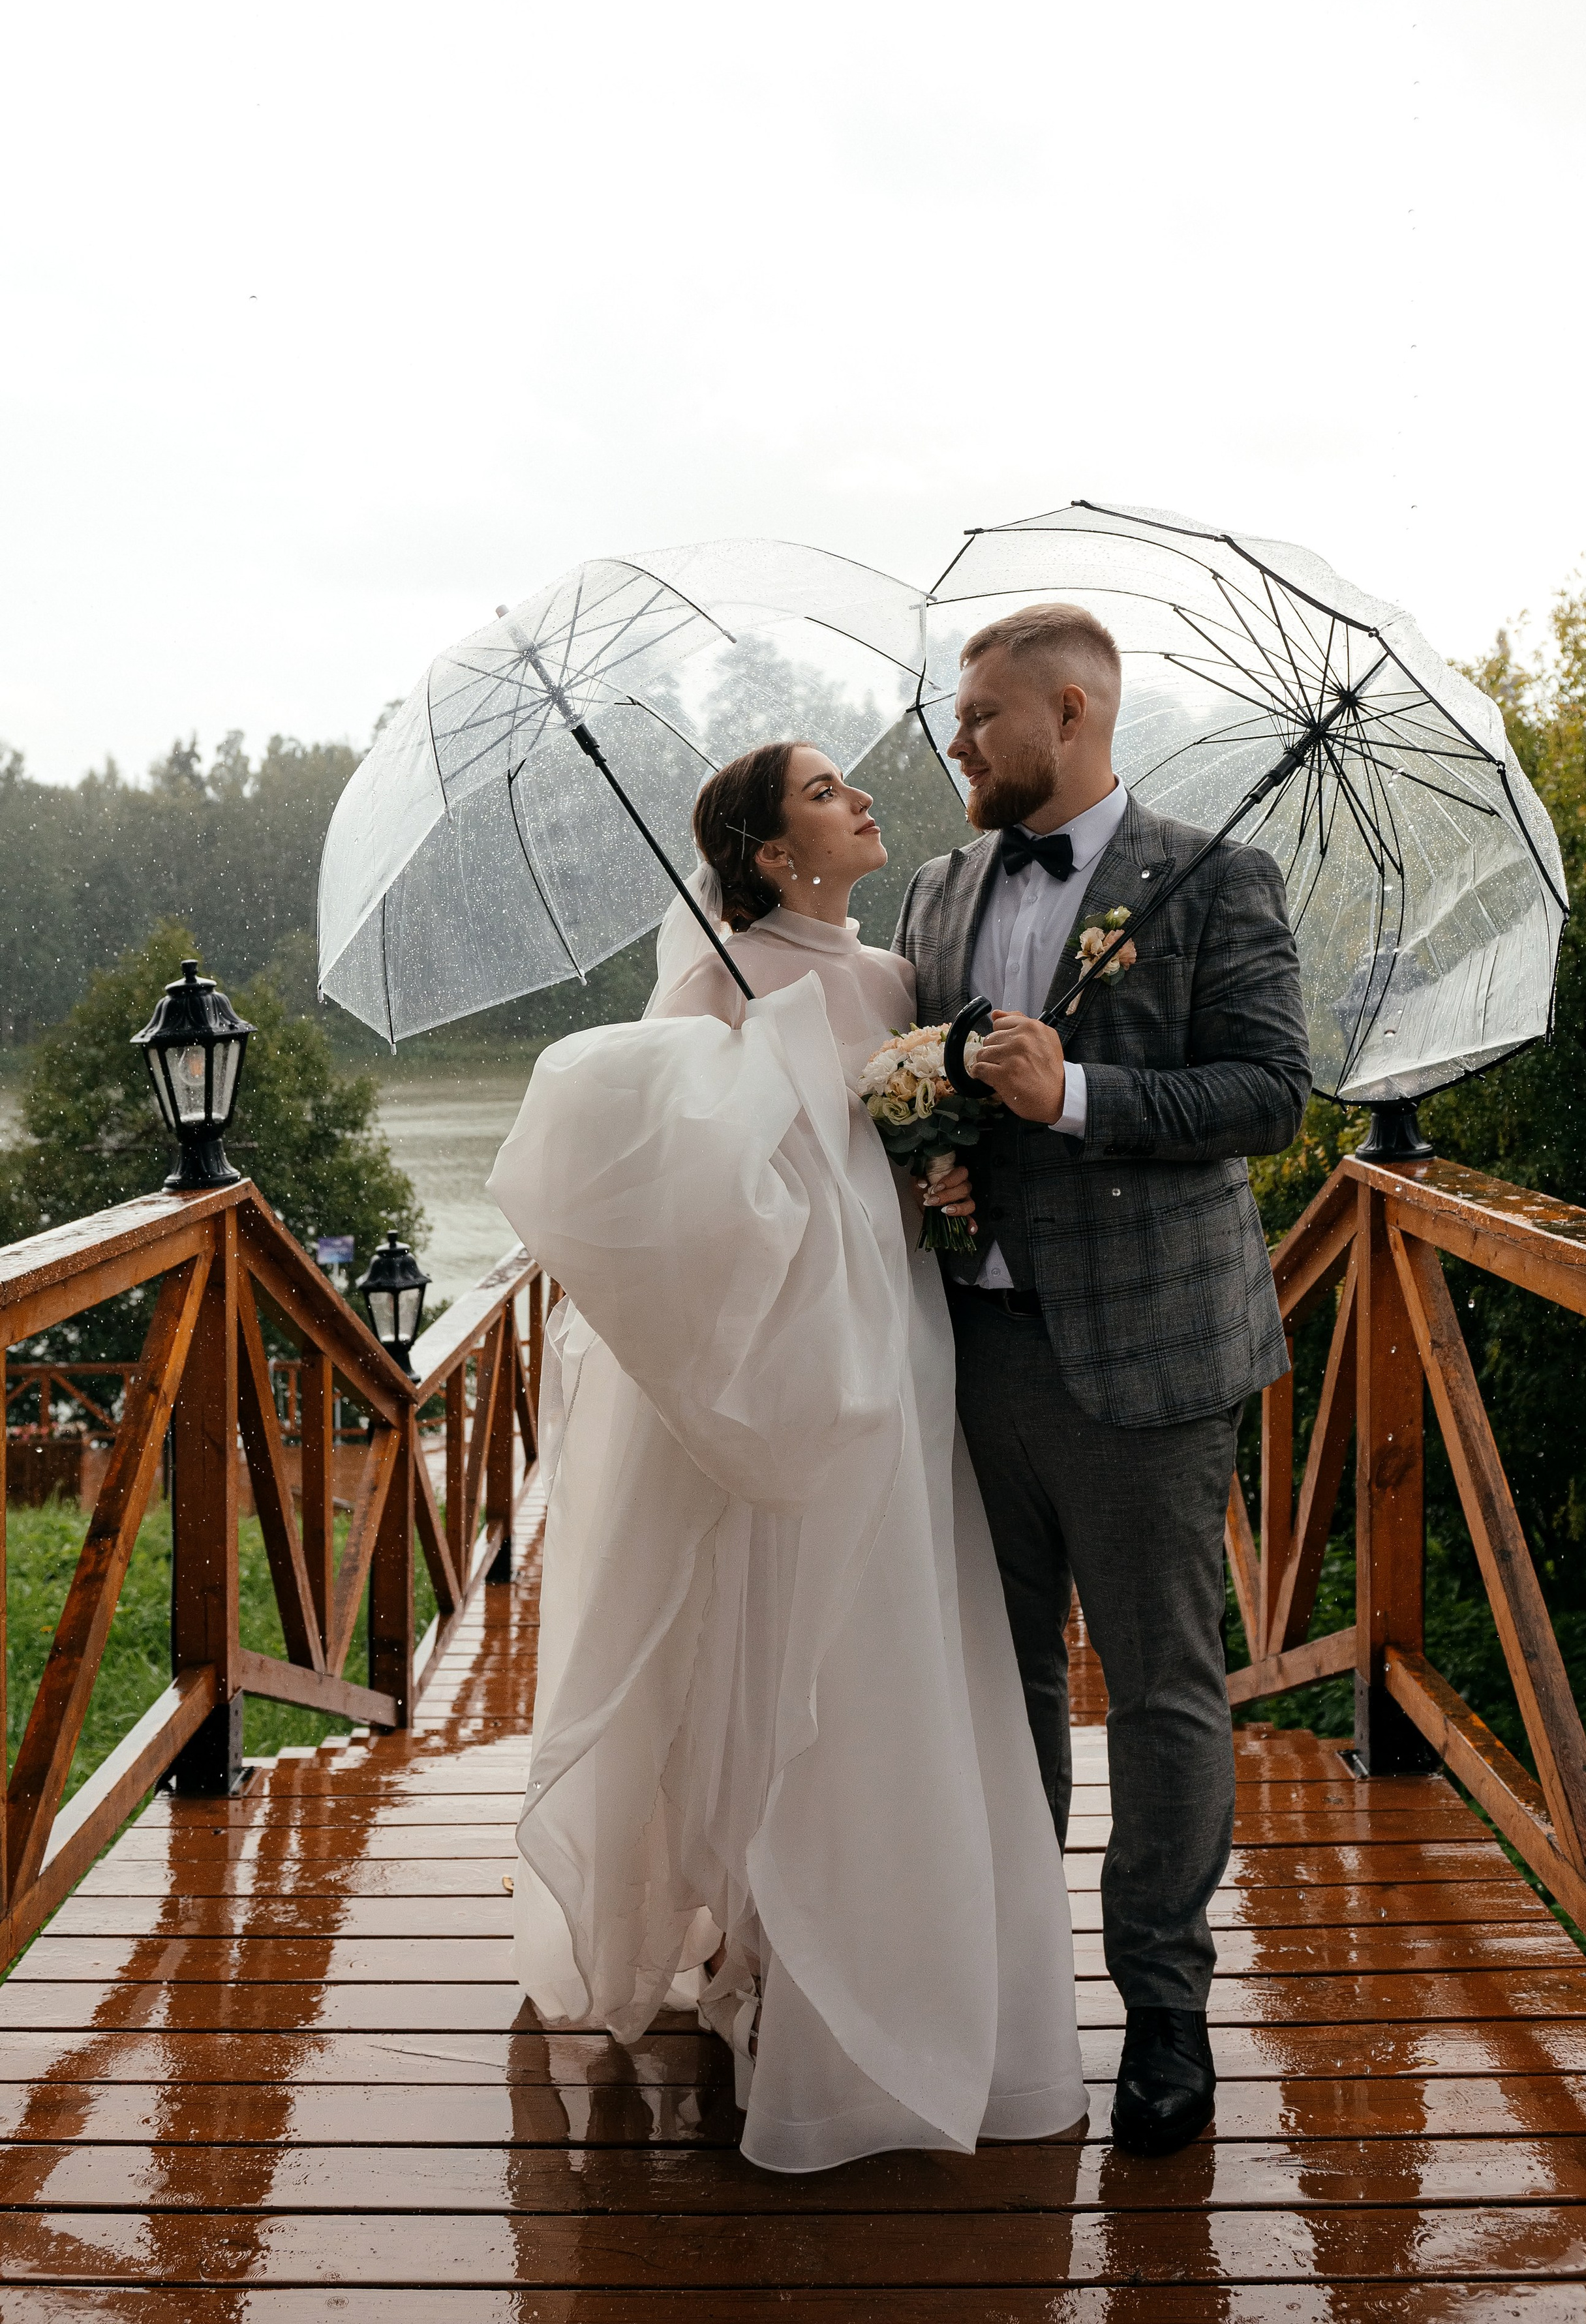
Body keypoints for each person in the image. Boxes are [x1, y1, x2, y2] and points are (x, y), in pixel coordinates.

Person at [487, 739, 1088, 2173]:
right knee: (782, 1652)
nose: (860, 800)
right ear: (767, 852)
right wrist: (776, 1148)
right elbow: (653, 1206)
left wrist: (932, 1168)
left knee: (894, 1645)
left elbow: (896, 1147)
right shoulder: (712, 979)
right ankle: (764, 1954)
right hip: (788, 1375)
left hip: (908, 1350)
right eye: (824, 792)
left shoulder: (894, 978)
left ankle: (890, 1961)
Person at [894, 601, 1310, 2156]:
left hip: (1152, 1358)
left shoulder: (1215, 876)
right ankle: (1015, 1996)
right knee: (994, 1691)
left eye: (979, 717)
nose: (954, 742)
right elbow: (916, 1089)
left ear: (1068, 715)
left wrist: (1074, 1092)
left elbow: (1268, 1091)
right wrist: (932, 1158)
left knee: (1159, 1691)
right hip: (970, 1352)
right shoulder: (936, 889)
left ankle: (1164, 2013)